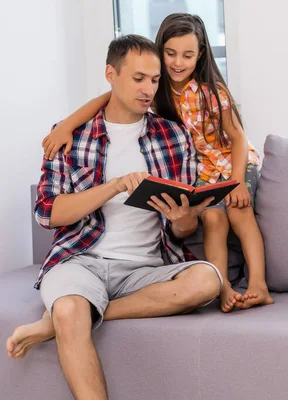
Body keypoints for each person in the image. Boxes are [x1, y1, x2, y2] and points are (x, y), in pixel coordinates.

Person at [6, 35, 222, 400]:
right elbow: (48, 213)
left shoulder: (174, 136)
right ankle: (71, 315)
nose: (148, 89)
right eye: (138, 78)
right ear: (111, 74)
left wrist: (183, 218)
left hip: (146, 267)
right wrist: (114, 186)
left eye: (154, 80)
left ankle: (62, 322)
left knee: (206, 281)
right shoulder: (70, 136)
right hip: (81, 260)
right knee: (71, 307)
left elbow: (183, 231)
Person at [42, 13, 273, 313]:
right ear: (161, 51)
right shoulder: (156, 92)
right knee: (214, 219)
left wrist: (239, 181)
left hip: (232, 163)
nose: (178, 62)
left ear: (200, 54)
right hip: (202, 171)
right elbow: (108, 97)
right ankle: (224, 287)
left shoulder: (209, 91)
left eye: (188, 55)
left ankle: (259, 284)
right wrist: (66, 126)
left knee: (238, 211)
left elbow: (238, 138)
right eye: (171, 53)